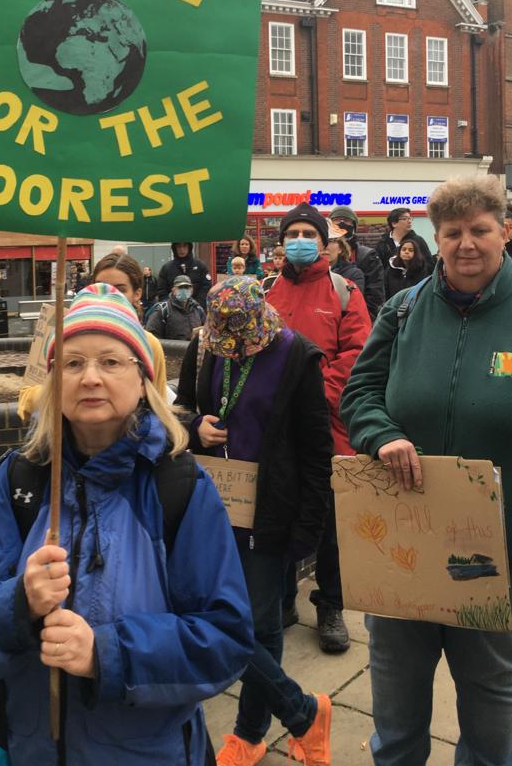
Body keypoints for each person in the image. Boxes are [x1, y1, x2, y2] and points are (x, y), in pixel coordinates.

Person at [0, 284, 253, 766]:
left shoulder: (179, 488)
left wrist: (106, 654)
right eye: (72, 363)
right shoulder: (18, 482)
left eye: (111, 362)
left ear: (143, 379)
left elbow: (225, 638)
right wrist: (18, 605)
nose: (90, 378)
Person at [340, 175, 512, 766]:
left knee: (491, 696)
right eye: (452, 232)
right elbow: (360, 388)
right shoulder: (405, 306)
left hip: (503, 549)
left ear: (506, 231)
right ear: (435, 239)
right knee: (395, 694)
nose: (466, 243)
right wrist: (381, 433)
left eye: (480, 229)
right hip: (401, 543)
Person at [174, 276, 333, 766]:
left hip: (267, 512)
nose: (235, 351)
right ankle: (303, 711)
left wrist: (309, 526)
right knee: (211, 617)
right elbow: (177, 409)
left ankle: (248, 733)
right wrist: (193, 428)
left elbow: (315, 446)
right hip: (211, 504)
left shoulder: (296, 357)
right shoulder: (206, 348)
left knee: (261, 625)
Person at [268, 203, 370, 654]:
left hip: (328, 425)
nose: (301, 240)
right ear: (282, 243)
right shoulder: (269, 291)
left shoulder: (345, 292)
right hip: (278, 426)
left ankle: (331, 604)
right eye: (293, 234)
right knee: (281, 511)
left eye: (309, 233)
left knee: (331, 522)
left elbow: (356, 354)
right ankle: (284, 598)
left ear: (325, 241)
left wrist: (311, 396)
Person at [17, 252, 169, 423]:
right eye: (100, 286)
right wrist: (62, 391)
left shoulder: (149, 344)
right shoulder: (60, 337)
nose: (107, 294)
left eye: (119, 289)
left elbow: (158, 407)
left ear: (137, 294)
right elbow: (26, 399)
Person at [327, 207, 385, 321]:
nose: (342, 223)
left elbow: (375, 297)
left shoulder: (367, 256)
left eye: (346, 220)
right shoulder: (321, 252)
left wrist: (364, 321)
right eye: (337, 219)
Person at [146, 274, 206, 341]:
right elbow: (152, 337)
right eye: (180, 287)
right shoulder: (163, 310)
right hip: (172, 351)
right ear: (173, 290)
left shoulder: (198, 309)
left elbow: (206, 331)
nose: (184, 290)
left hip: (193, 351)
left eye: (186, 287)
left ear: (192, 289)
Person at [374, 207, 434, 271]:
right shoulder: (383, 243)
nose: (409, 221)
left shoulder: (418, 241)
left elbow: (430, 265)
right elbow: (378, 268)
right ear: (394, 223)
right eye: (405, 219)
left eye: (410, 218)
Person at [156, 242, 212, 308]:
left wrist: (197, 304)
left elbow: (206, 287)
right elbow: (162, 290)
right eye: (179, 246)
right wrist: (169, 306)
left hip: (196, 310)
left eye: (185, 246)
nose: (182, 249)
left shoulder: (200, 266)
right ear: (174, 248)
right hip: (173, 311)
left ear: (189, 247)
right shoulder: (166, 268)